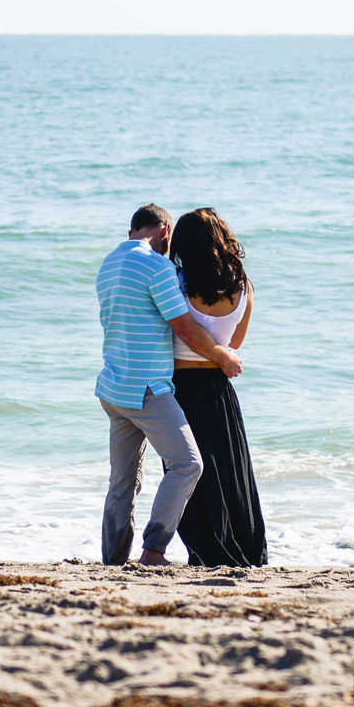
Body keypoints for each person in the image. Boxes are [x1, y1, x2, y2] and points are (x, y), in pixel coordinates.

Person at [96, 203, 244, 566]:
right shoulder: (155, 265)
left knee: (122, 483)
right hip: (147, 388)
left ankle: (114, 560)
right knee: (188, 465)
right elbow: (186, 328)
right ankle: (153, 550)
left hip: (113, 387)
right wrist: (224, 357)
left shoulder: (108, 265)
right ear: (165, 231)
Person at [169, 208, 268, 567]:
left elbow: (178, 330)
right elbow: (235, 343)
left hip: (181, 386)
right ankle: (243, 549)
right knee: (230, 471)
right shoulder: (243, 285)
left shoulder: (175, 281)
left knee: (191, 469)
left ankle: (205, 549)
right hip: (219, 386)